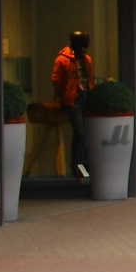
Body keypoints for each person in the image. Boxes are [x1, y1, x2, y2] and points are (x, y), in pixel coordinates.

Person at [51, 31, 94, 179]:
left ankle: (86, 162)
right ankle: (77, 163)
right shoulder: (63, 60)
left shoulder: (86, 59)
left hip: (85, 96)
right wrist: (62, 93)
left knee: (87, 131)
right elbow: (56, 79)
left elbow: (90, 77)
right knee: (79, 131)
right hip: (73, 98)